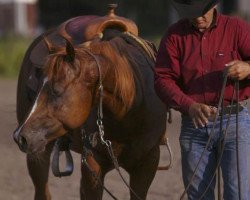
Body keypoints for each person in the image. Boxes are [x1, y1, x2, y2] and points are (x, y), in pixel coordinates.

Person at [154, 0, 250, 199]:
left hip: (235, 122)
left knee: (238, 194)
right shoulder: (173, 36)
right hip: (194, 126)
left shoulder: (237, 28)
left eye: (202, 12)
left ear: (213, 6)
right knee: (198, 195)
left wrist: (248, 68)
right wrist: (189, 106)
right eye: (192, 13)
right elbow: (162, 80)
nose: (198, 18)